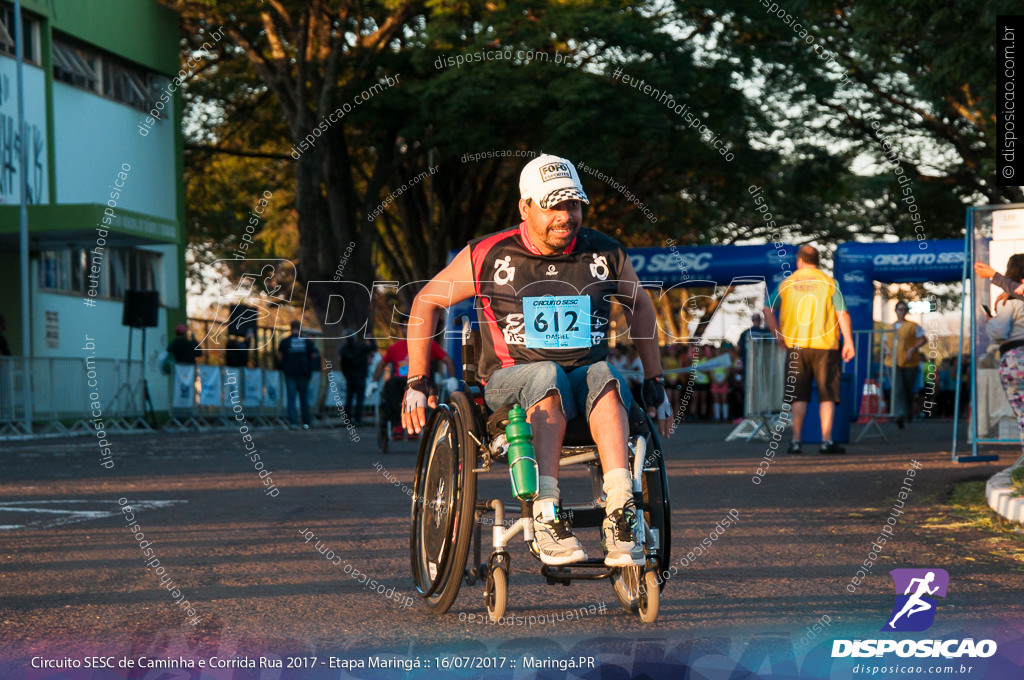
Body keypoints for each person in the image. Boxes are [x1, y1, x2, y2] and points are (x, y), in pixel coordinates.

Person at [400, 153, 673, 567]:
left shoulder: (606, 252)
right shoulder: (488, 253)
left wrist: (655, 381)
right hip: (510, 382)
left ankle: (621, 511)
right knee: (545, 375)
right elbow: (426, 301)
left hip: (583, 380)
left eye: (574, 205)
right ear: (525, 207)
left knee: (606, 374)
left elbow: (640, 307)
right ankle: (546, 512)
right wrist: (416, 380)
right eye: (554, 206)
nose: (566, 216)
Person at [763, 245, 856, 455]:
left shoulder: (787, 283)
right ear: (817, 261)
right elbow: (843, 314)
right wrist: (848, 341)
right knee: (827, 395)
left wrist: (778, 335)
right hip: (825, 346)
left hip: (796, 347)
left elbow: (767, 309)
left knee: (798, 396)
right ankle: (826, 441)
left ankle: (796, 441)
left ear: (800, 261)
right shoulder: (829, 283)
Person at [372, 327, 455, 439]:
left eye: (409, 327)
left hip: (422, 382)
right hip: (399, 383)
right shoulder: (395, 348)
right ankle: (397, 425)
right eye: (404, 327)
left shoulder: (429, 345)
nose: (407, 330)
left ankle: (416, 423)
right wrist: (374, 382)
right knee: (390, 384)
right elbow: (381, 364)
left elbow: (448, 360)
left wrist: (452, 378)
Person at [983, 254, 1024, 466]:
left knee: (1022, 412)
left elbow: (999, 332)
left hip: (1016, 359)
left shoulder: (1011, 303)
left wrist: (991, 322)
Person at [886, 300, 926, 428]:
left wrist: (912, 349)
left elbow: (923, 339)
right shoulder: (889, 328)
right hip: (892, 362)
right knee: (898, 388)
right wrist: (887, 350)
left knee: (908, 389)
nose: (901, 312)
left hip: (910, 362)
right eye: (899, 309)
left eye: (904, 309)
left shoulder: (913, 326)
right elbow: (885, 341)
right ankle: (899, 415)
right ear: (896, 311)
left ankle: (908, 413)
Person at [277, 320, 320, 430]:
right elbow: (313, 356)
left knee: (291, 399)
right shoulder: (307, 341)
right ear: (300, 328)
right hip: (303, 374)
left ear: (290, 328)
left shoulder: (285, 341)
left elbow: (280, 357)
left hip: (290, 374)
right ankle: (306, 422)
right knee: (304, 399)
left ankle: (293, 423)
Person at [340, 334, 376, 427]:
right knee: (359, 400)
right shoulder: (360, 347)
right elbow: (373, 347)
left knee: (349, 399)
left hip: (350, 377)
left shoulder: (344, 349)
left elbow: (342, 363)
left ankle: (347, 419)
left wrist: (346, 374)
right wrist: (371, 339)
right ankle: (358, 419)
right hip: (360, 377)